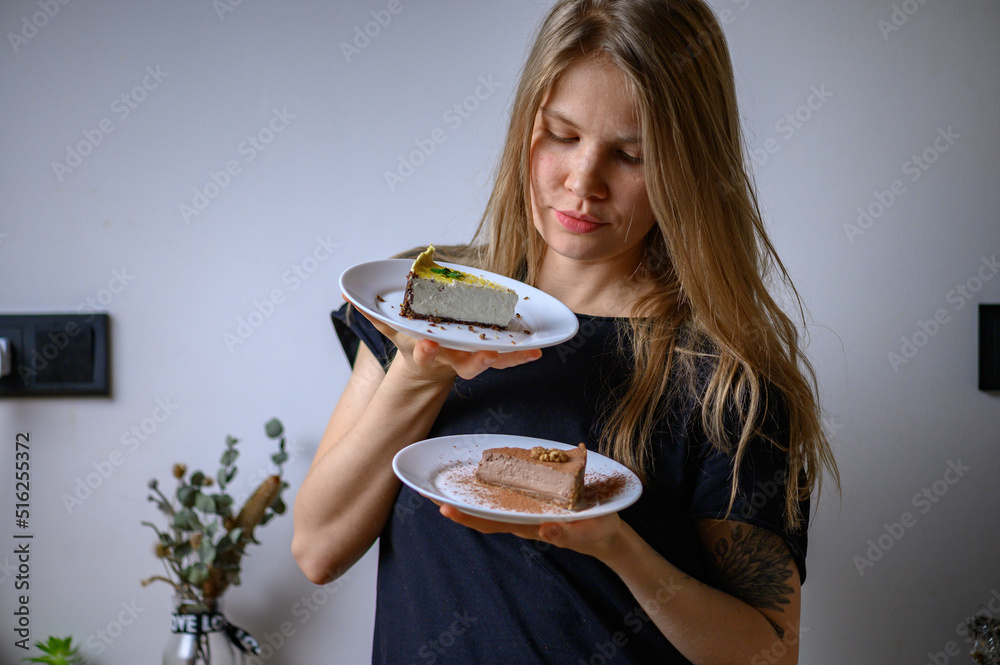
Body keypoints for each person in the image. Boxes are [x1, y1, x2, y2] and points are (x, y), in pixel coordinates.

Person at [292, 0, 839, 663]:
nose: (583, 182)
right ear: (527, 124)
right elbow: (317, 550)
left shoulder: (723, 377)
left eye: (630, 155)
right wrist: (422, 369)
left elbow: (769, 651)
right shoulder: (427, 300)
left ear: (689, 167)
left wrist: (618, 546)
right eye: (561, 134)